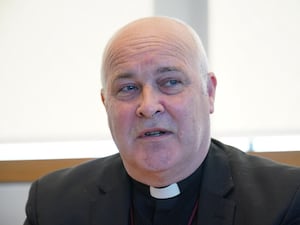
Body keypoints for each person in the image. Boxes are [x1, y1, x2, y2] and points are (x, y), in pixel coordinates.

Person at [24, 16, 300, 225]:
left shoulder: (285, 199)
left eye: (170, 82)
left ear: (209, 93)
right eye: (128, 88)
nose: (148, 106)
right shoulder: (52, 205)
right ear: (106, 103)